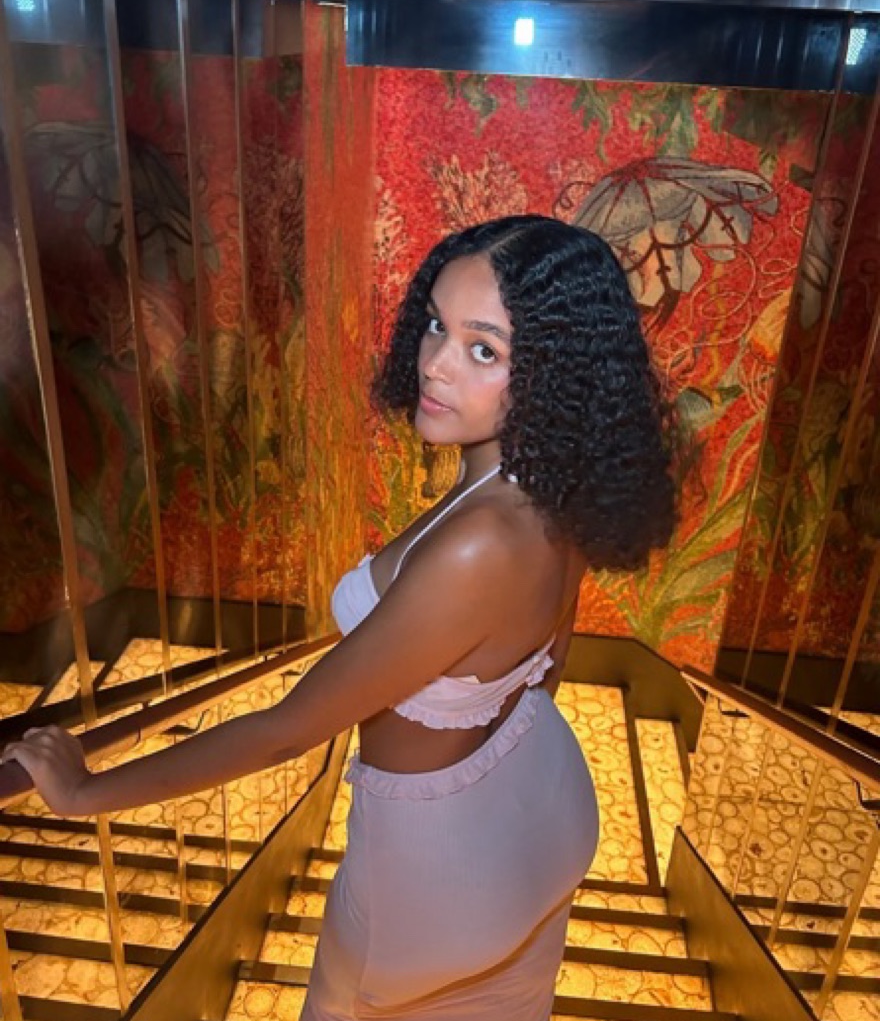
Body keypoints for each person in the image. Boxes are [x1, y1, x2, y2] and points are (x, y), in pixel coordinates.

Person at [2, 214, 679, 1019]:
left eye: (483, 349)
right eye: (436, 323)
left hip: (432, 873)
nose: (434, 362)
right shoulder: (552, 486)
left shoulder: (482, 544)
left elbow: (286, 731)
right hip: (534, 803)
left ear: (555, 370)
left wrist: (84, 790)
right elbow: (547, 664)